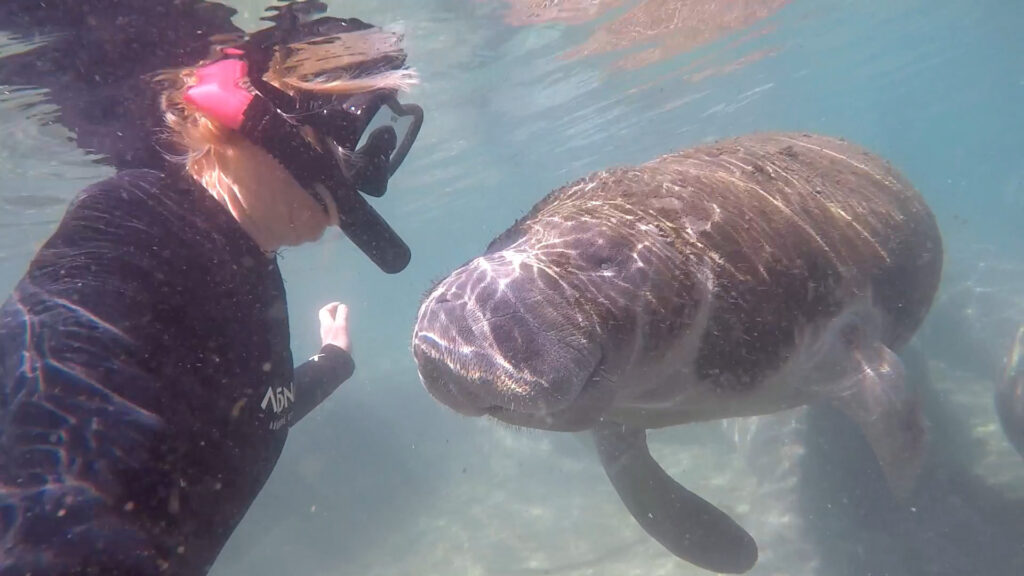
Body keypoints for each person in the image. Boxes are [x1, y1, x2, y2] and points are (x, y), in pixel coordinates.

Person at [0, 2, 424, 574]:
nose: (363, 179)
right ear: (259, 120)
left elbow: (243, 413)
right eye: (352, 142)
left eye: (375, 153)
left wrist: (333, 362)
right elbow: (37, 475)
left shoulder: (252, 261)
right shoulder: (132, 223)